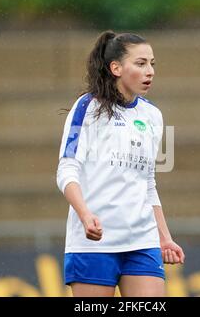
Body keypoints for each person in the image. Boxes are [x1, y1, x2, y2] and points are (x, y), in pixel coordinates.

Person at [56, 30, 185, 297]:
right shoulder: (88, 108)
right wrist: (84, 214)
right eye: (140, 64)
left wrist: (163, 236)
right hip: (94, 244)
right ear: (116, 68)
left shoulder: (152, 115)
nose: (149, 71)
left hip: (142, 241)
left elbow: (148, 182)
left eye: (152, 64)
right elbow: (67, 168)